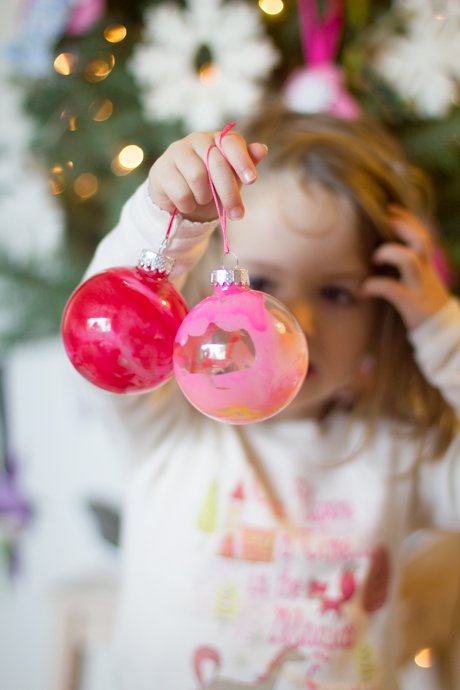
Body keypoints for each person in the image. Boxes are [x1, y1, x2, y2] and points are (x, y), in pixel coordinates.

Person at [82, 104, 460, 690]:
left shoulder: (399, 452)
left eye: (336, 292)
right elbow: (110, 331)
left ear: (384, 313)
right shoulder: (167, 416)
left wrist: (443, 330)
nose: (294, 322)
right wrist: (168, 221)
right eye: (260, 283)